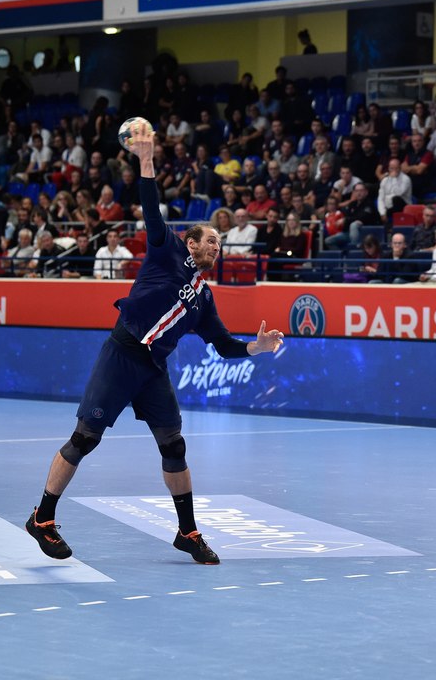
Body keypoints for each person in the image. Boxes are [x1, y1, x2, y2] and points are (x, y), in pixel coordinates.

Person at [25, 121, 285, 564]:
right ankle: (42, 519)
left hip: (153, 370)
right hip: (122, 353)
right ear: (191, 242)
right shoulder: (166, 249)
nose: (217, 248)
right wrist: (146, 159)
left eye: (221, 244)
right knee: (85, 439)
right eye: (213, 241)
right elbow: (150, 206)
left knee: (174, 446)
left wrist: (255, 348)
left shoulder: (204, 298)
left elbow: (223, 345)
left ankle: (188, 532)